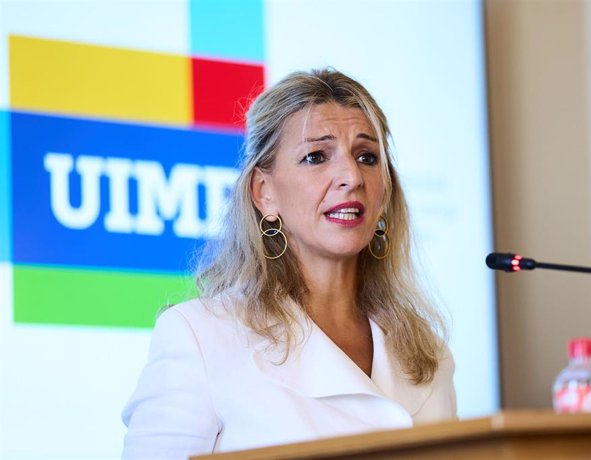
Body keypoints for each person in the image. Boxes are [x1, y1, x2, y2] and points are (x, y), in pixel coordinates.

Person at [121, 68, 457, 459]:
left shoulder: (429, 355)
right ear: (264, 193)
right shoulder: (198, 335)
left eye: (367, 157)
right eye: (316, 157)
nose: (351, 176)